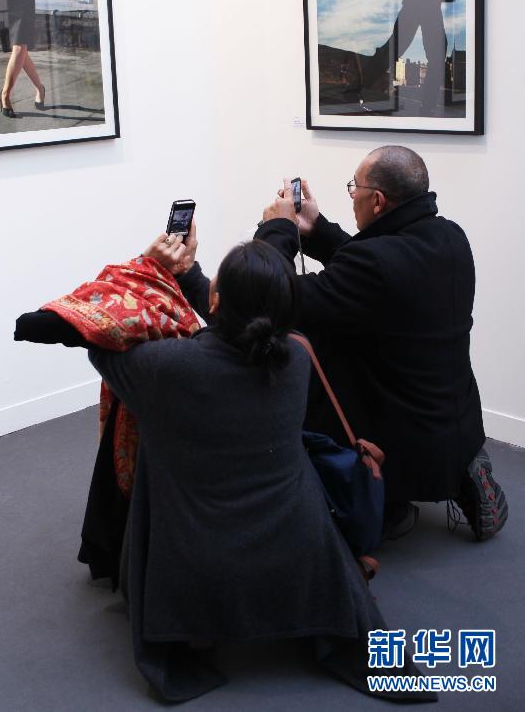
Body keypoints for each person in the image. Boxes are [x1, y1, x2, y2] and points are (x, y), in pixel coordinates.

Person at [15, 240, 433, 703]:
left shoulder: (165, 368)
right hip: (297, 548)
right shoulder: (296, 357)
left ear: (214, 301)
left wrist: (147, 269)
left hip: (198, 559)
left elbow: (98, 338)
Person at [162, 146, 507, 543]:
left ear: (377, 201)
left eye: (354, 188)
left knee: (298, 349)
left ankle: (383, 503)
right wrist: (318, 227)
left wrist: (278, 229)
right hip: (455, 421)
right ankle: (461, 468)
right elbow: (372, 263)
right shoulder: (449, 237)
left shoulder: (373, 267)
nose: (351, 195)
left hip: (396, 439)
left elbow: (263, 296)